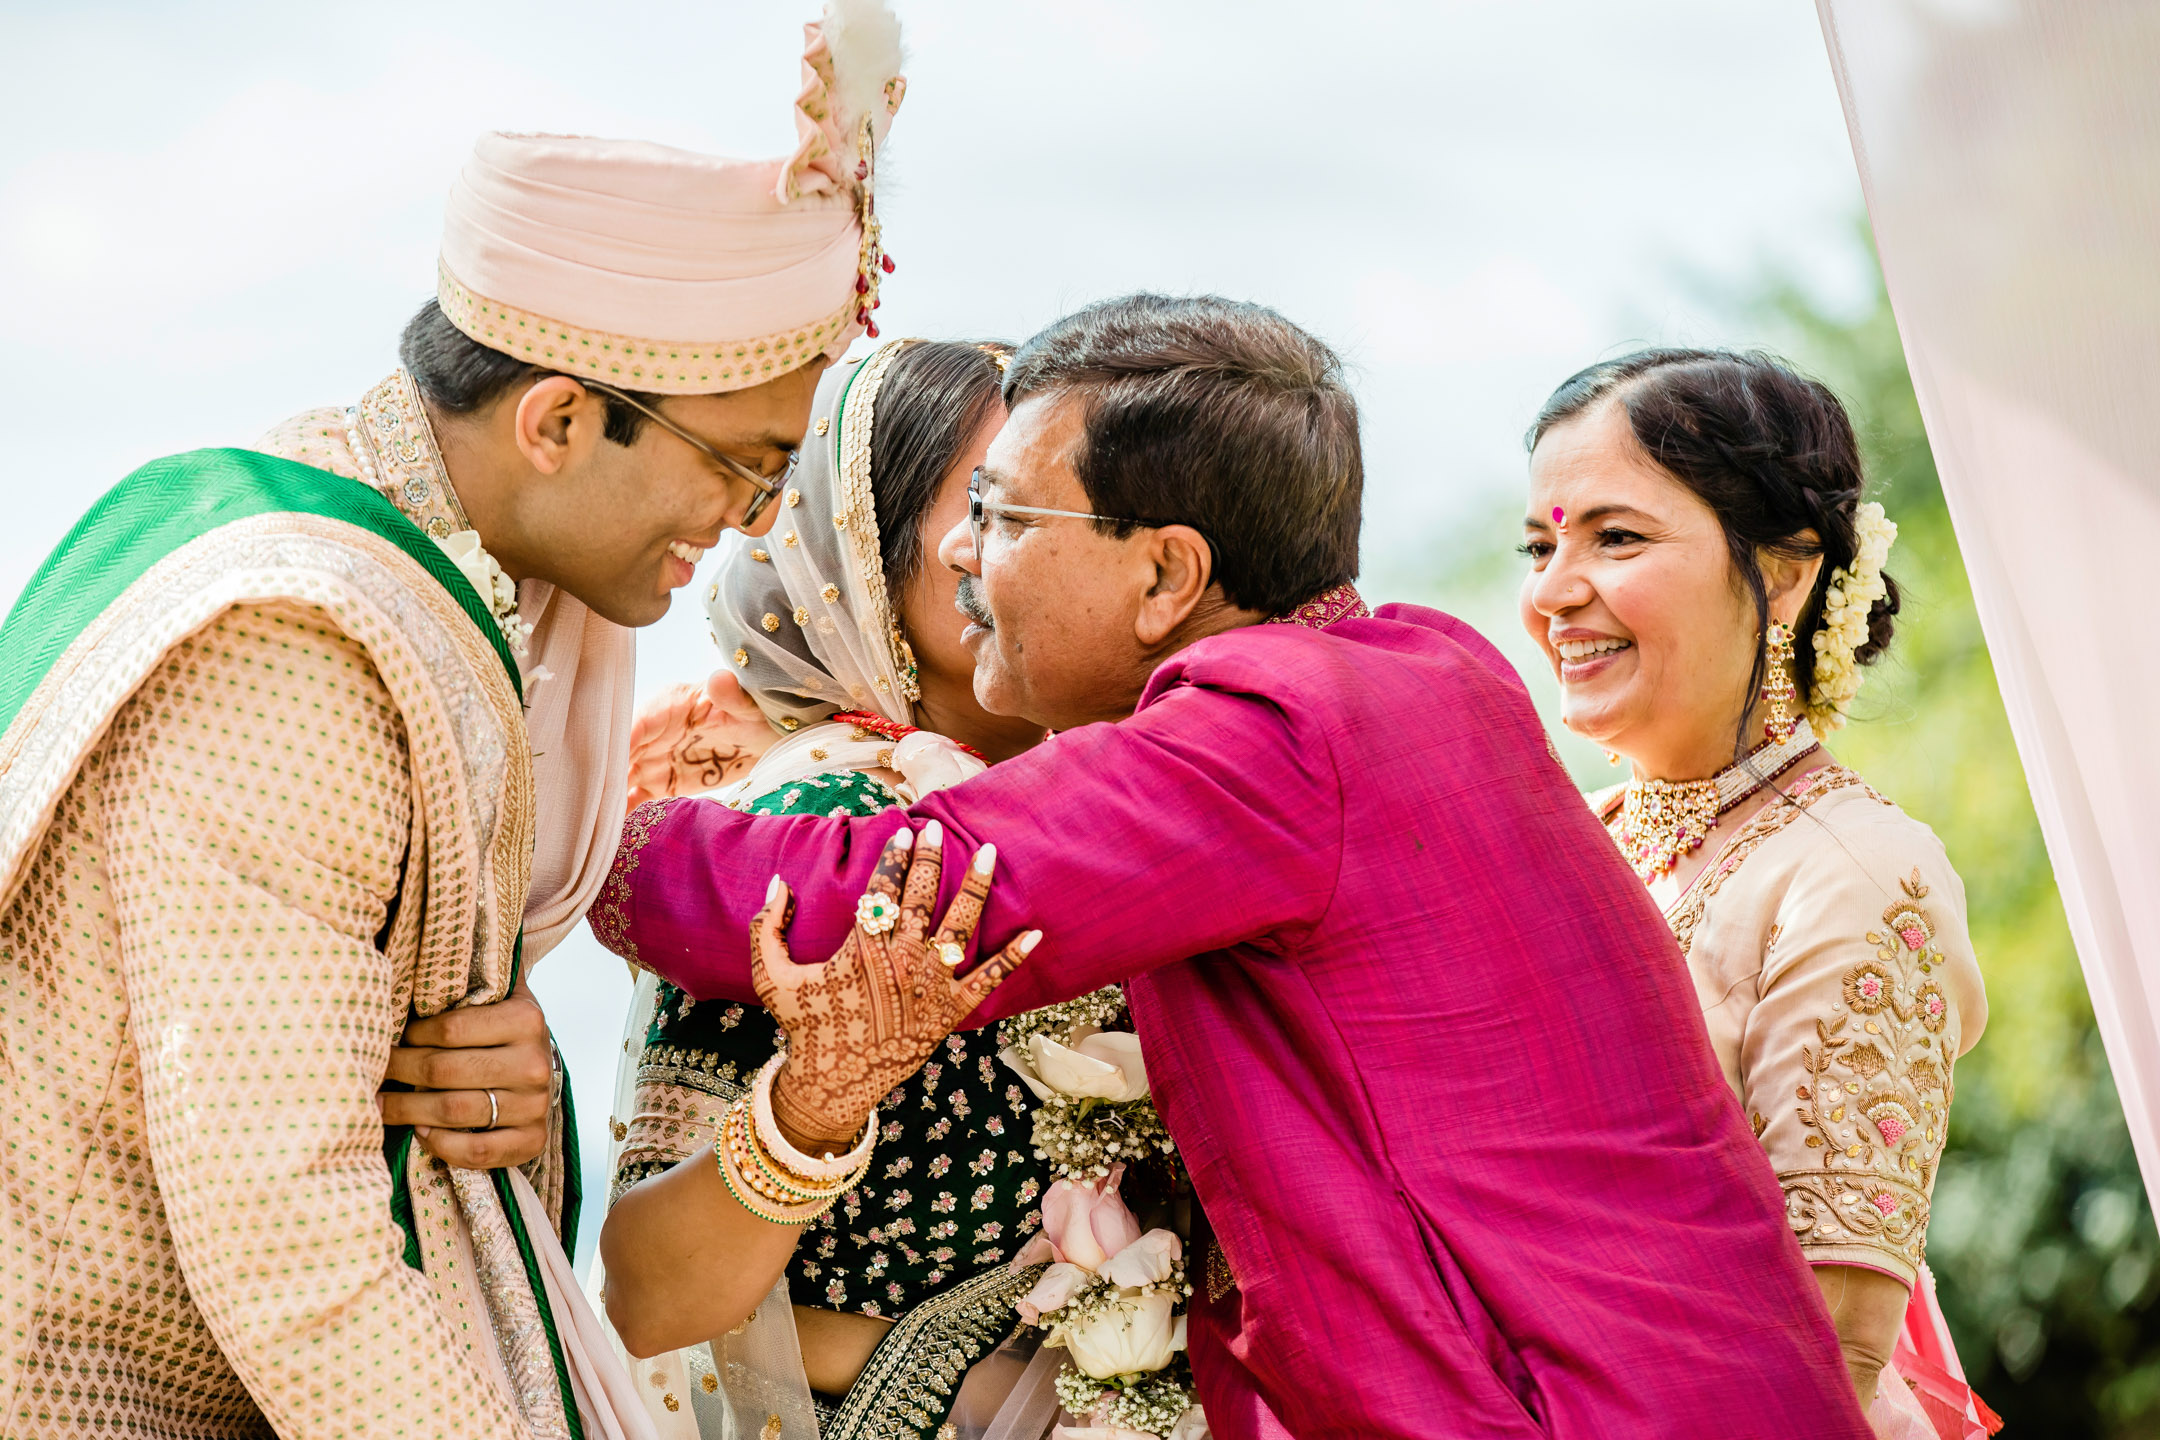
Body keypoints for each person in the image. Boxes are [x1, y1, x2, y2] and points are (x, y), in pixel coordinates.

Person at [591, 294, 1878, 1438]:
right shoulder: (1429, 665)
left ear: (1167, 576)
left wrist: (556, 832)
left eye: (1006, 513)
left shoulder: (1259, 735)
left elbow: (877, 902)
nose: (972, 554)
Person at [0, 3, 905, 1433]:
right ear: (555, 422)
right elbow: (295, 1244)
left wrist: (517, 1085)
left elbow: (393, 1087)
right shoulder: (299, 641)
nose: (745, 526)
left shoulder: (436, 601)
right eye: (743, 466)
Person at [590, 337, 1076, 1439]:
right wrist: (813, 1108)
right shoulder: (824, 819)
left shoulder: (1115, 796)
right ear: (868, 549)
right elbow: (650, 1297)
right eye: (996, 506)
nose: (1035, 550)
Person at [1518, 349, 1999, 1440]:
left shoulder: (1861, 873)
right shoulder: (1568, 843)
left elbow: (1832, 1337)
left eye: (1616, 537)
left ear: (1785, 572)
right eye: (1541, 544)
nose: (1552, 591)